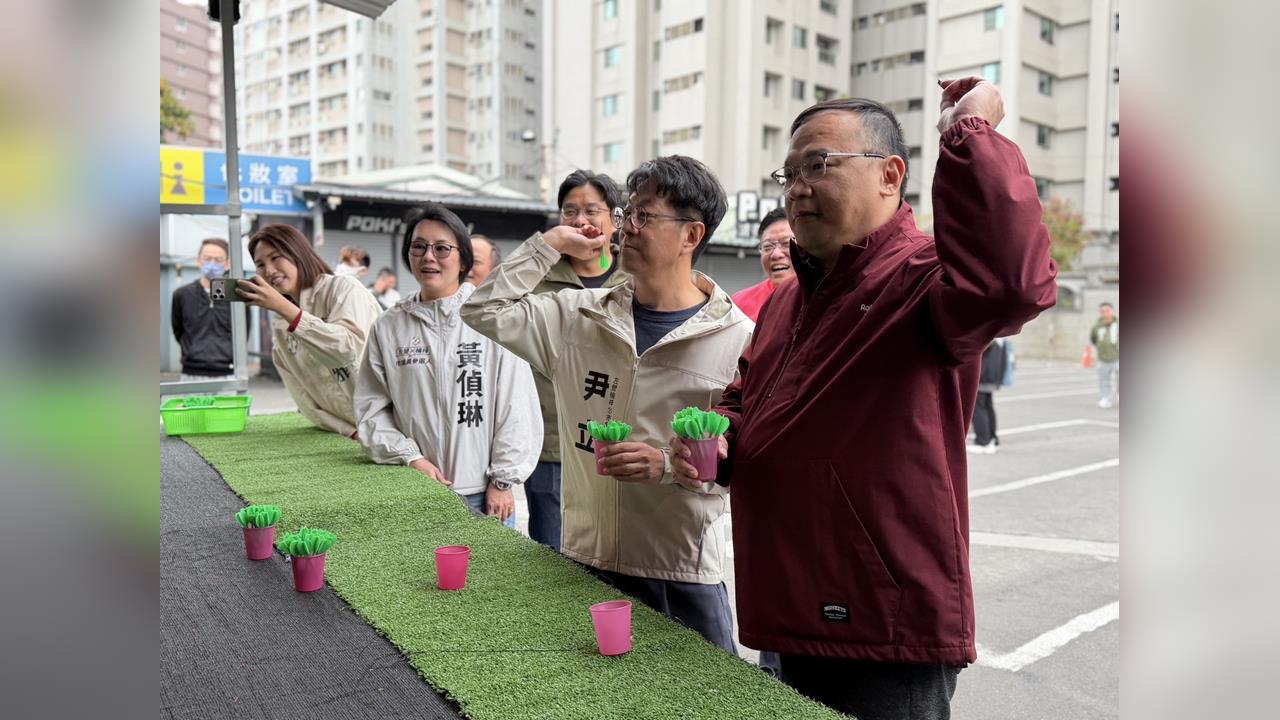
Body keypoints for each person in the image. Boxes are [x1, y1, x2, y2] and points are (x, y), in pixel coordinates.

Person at [671, 80, 1058, 719]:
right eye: (787, 173)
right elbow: (748, 397)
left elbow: (1014, 283)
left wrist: (970, 136)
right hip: (785, 605)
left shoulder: (924, 276)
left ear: (890, 175)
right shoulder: (790, 298)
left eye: (817, 165)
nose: (795, 188)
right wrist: (721, 440)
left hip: (882, 626)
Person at [462, 156, 753, 652]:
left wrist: (664, 462)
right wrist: (549, 244)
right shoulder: (577, 317)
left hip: (679, 569)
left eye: (644, 216)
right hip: (585, 557)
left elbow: (739, 459)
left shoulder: (737, 338)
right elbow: (482, 308)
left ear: (691, 235)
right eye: (626, 215)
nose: (626, 229)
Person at [355, 205, 541, 527]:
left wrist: (502, 481)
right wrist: (410, 457)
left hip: (485, 494)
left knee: (490, 577)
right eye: (419, 247)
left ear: (463, 260)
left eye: (442, 248)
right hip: (416, 488)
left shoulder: (491, 319)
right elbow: (371, 408)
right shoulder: (388, 327)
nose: (429, 257)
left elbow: (517, 405)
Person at [514, 170, 631, 552]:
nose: (580, 221)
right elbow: (488, 305)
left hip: (620, 445)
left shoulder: (635, 278)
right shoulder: (536, 278)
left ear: (616, 219)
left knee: (618, 559)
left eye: (591, 210)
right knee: (553, 558)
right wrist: (542, 248)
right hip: (552, 445)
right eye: (569, 211)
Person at [237, 224, 382, 436]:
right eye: (260, 264)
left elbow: (346, 350)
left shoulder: (344, 288)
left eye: (276, 257)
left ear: (298, 253)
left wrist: (287, 310)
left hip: (391, 423)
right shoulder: (280, 323)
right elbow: (302, 397)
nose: (269, 270)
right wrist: (348, 430)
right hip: (350, 435)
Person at [171, 238, 234, 381]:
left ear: (227, 264)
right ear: (198, 260)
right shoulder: (182, 295)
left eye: (218, 260)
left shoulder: (235, 297)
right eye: (207, 258)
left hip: (227, 374)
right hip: (190, 373)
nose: (212, 264)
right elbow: (178, 330)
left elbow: (242, 332)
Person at [730, 207, 796, 322]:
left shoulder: (826, 299)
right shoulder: (738, 304)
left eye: (786, 243)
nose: (776, 254)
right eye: (767, 246)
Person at [970, 339, 1009, 454]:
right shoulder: (1001, 338)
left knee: (979, 409)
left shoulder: (989, 337)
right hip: (992, 378)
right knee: (988, 407)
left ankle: (983, 442)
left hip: (983, 378)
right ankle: (992, 439)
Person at [1091, 301, 1119, 408]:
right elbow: (1093, 339)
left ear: (1112, 311)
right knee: (1104, 380)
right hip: (1103, 358)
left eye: (1107, 310)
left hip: (1118, 357)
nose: (1105, 313)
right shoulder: (1097, 326)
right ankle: (1106, 398)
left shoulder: (1118, 324)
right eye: (1102, 311)